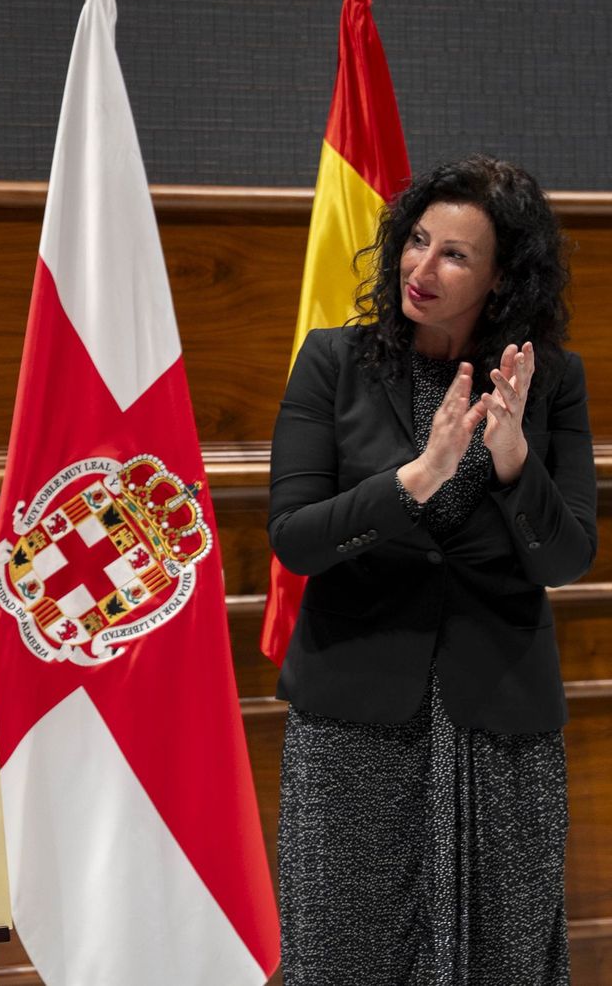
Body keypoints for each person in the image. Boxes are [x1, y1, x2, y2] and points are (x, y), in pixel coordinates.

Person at [268, 155, 596, 984]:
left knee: (505, 960)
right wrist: (414, 480)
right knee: (347, 956)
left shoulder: (549, 381)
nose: (422, 267)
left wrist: (515, 461)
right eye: (416, 242)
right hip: (356, 721)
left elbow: (567, 558)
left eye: (455, 254)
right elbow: (297, 539)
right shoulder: (333, 362)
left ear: (501, 278)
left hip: (502, 724)